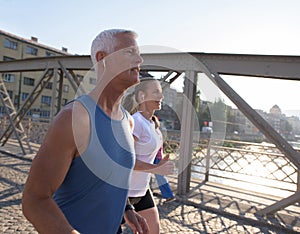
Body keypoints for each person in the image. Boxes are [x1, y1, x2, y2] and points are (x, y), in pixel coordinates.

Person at [22, 29, 149, 234]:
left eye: (138, 53)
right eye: (129, 52)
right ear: (102, 58)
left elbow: (111, 178)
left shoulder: (128, 122)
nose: (140, 59)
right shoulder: (74, 119)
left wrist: (126, 208)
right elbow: (34, 199)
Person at [122, 76, 175, 234]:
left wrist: (161, 163)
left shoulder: (153, 124)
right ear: (142, 96)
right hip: (123, 192)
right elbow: (124, 159)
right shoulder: (136, 122)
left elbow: (150, 154)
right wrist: (155, 169)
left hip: (142, 190)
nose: (161, 96)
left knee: (153, 231)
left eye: (161, 92)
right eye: (156, 92)